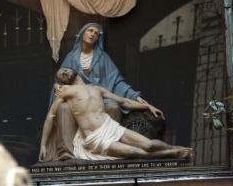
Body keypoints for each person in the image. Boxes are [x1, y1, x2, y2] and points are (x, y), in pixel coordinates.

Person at [39, 68, 191, 161]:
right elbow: (50, 117)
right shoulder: (65, 91)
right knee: (134, 152)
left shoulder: (97, 89)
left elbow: (124, 101)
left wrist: (149, 106)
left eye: (65, 70)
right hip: (96, 138)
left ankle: (173, 147)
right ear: (61, 83)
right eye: (61, 76)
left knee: (149, 144)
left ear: (75, 71)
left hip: (111, 128)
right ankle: (173, 153)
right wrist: (43, 146)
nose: (65, 74)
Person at [50, 22, 148, 123]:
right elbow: (59, 79)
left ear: (98, 39)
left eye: (96, 34)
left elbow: (116, 81)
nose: (93, 34)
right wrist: (57, 86)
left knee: (112, 106)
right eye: (90, 31)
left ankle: (111, 138)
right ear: (83, 33)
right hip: (77, 97)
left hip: (99, 97)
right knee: (64, 108)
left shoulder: (103, 57)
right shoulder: (71, 57)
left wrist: (134, 96)